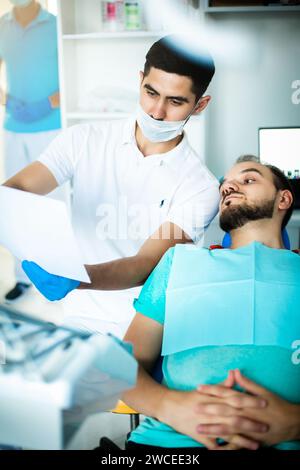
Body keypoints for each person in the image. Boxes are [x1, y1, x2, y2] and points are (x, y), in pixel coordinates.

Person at [3, 35, 219, 338]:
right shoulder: (83, 140)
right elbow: (17, 190)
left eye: (175, 101)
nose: (157, 112)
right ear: (140, 80)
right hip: (76, 315)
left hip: (145, 328)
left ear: (200, 105)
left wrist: (75, 277)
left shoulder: (200, 186)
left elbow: (144, 264)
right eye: (151, 92)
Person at [120, 156, 300, 452]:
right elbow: (121, 368)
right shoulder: (177, 263)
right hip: (170, 446)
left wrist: (295, 421)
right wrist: (167, 405)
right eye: (225, 186)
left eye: (248, 179)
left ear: (284, 199)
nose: (229, 187)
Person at [0, 0, 62, 301]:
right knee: (15, 204)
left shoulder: (54, 25)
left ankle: (59, 268)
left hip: (51, 128)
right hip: (14, 129)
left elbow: (72, 75)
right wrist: (7, 101)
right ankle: (23, 276)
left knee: (53, 203)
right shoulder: (2, 27)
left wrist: (46, 105)